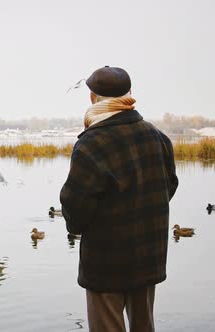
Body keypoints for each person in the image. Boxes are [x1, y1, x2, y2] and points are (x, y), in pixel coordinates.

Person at [60, 66, 179, 332]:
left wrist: (79, 225)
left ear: (92, 98)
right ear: (129, 95)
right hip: (148, 255)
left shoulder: (91, 144)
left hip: (105, 261)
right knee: (144, 327)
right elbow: (169, 186)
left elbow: (75, 209)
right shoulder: (158, 138)